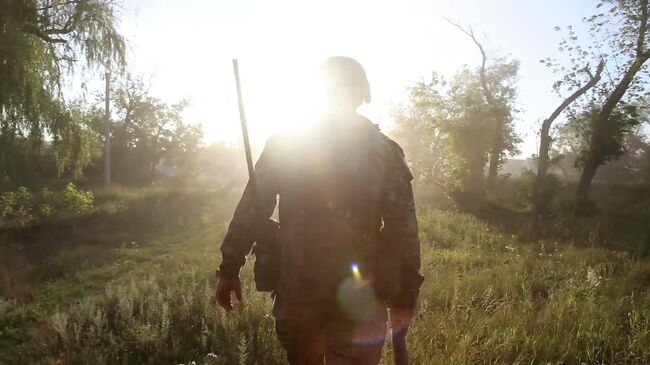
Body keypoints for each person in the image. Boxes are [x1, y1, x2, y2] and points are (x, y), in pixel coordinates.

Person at [216, 56, 423, 365]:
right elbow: (403, 228)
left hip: (300, 291)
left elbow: (253, 209)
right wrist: (405, 295)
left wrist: (230, 267)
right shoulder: (385, 152)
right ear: (362, 92)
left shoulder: (288, 144)